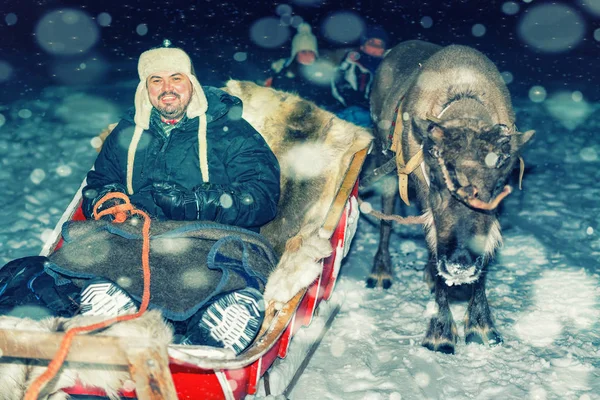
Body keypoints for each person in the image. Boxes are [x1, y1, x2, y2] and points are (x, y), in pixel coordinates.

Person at [0, 45, 281, 356]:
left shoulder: (231, 133)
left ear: (192, 83)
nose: (167, 89)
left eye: (176, 78)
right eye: (156, 81)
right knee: (88, 257)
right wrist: (108, 198)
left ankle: (218, 321)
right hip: (140, 233)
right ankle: (111, 302)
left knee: (213, 267)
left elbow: (262, 196)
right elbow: (98, 181)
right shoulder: (128, 132)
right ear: (145, 89)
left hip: (209, 232)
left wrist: (196, 204)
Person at [266, 22, 334, 107]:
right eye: (303, 52)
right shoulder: (284, 74)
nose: (307, 55)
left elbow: (330, 100)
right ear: (295, 54)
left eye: (311, 52)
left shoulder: (323, 74)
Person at [331, 25, 390, 111]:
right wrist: (360, 105)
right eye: (372, 43)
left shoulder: (386, 69)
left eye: (380, 44)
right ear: (362, 47)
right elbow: (341, 87)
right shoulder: (351, 64)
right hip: (347, 112)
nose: (375, 47)